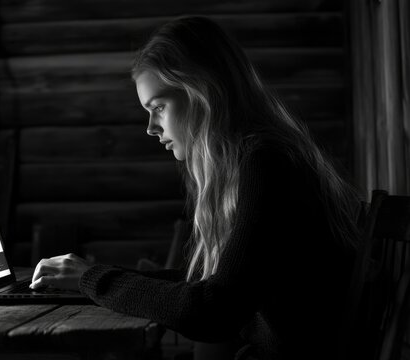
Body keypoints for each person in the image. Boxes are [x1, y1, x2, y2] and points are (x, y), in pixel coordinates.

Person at [30, 16, 360, 360]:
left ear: (202, 92)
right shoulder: (259, 156)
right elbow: (211, 285)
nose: (151, 128)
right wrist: (87, 277)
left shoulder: (267, 163)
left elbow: (213, 312)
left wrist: (93, 279)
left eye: (158, 107)